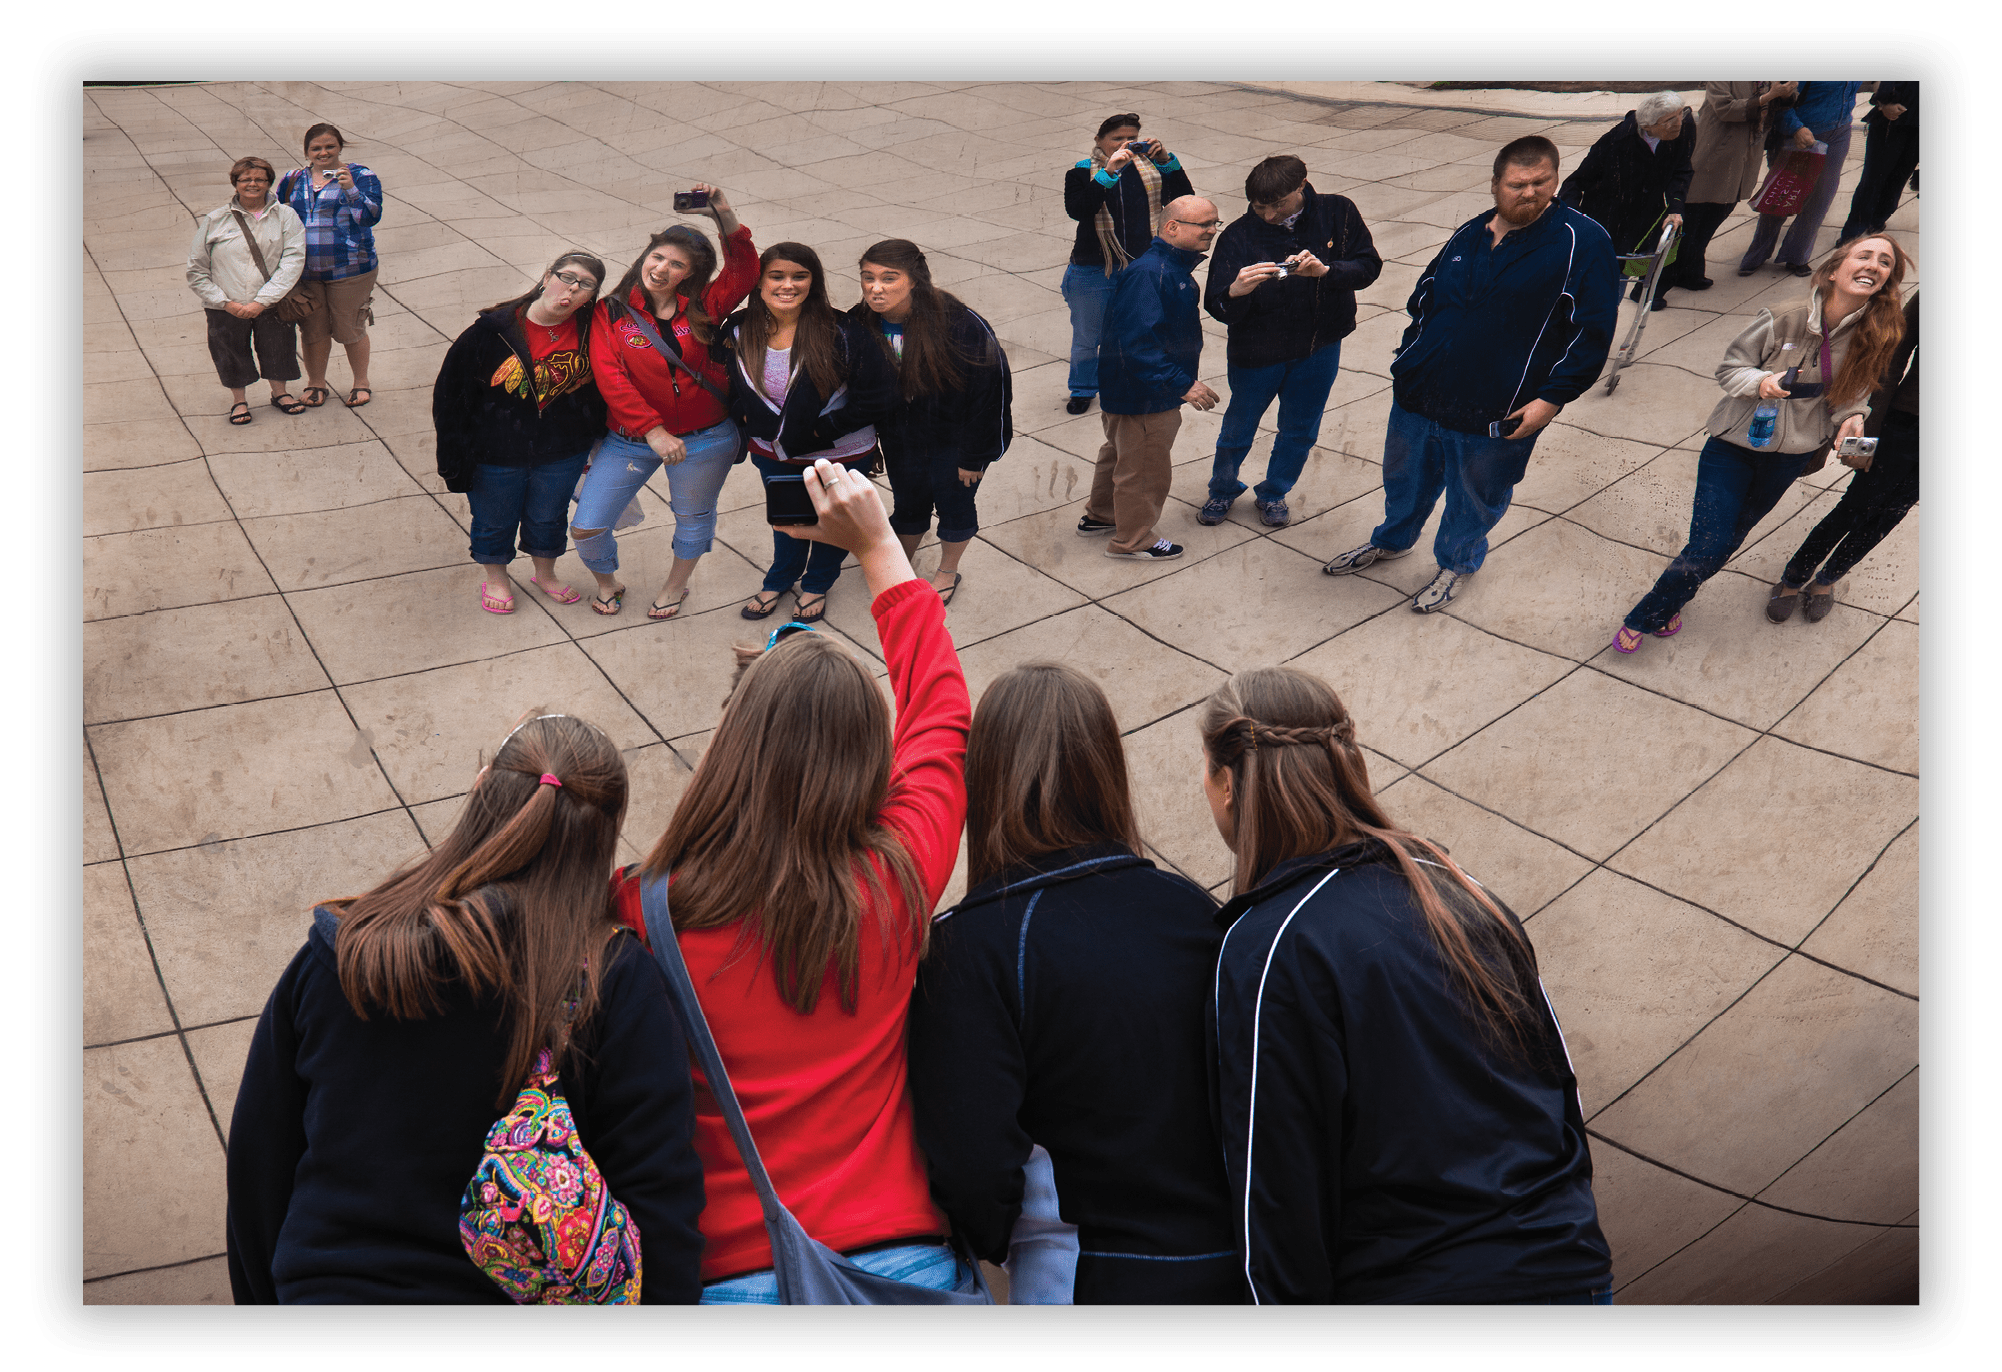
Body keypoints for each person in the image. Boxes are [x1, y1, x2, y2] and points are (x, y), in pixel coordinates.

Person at [607, 458, 976, 1305]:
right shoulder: (895, 878)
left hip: (733, 1270)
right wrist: (881, 548)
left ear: (731, 746)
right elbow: (941, 718)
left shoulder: (644, 905)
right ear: (868, 764)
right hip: (900, 1262)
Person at [225, 713, 706, 1305]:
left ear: (481, 787)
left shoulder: (345, 952)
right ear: (602, 839)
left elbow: (259, 1168)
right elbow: (661, 1205)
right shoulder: (615, 983)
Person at [1201, 667, 1614, 1305]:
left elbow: (1275, 1186)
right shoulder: (1456, 888)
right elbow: (1561, 1094)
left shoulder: (1269, 940)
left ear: (1228, 784)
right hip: (1568, 1269)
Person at [906, 662, 1243, 1306]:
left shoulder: (972, 944)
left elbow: (971, 1160)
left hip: (1086, 1273)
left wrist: (995, 1235)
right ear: (1104, 769)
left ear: (988, 780)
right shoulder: (1192, 906)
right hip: (1233, 1264)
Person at [1323, 136, 1617, 613]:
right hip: (1420, 397)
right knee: (1404, 483)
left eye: (1541, 182)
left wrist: (1551, 399)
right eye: (1517, 184)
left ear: (1556, 180)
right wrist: (1408, 359)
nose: (1530, 193)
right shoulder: (1470, 231)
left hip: (1499, 411)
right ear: (1495, 184)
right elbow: (1425, 296)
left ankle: (1456, 564)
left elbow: (1592, 333)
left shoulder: (1583, 242)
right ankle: (1393, 541)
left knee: (1475, 498)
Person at [1617, 234, 1907, 652]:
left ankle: (1673, 601)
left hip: (1790, 458)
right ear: (1833, 270)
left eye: (1884, 262)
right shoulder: (1783, 316)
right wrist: (1761, 382)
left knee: (1728, 540)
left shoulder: (1876, 334)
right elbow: (1729, 369)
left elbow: (1854, 393)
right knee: (1709, 544)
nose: (1874, 265)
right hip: (1731, 447)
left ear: (1885, 281)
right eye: (1864, 255)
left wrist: (1852, 419)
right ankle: (1647, 615)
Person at [569, 189, 758, 619]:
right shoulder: (610, 312)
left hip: (706, 439)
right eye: (657, 257)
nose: (662, 268)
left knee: (693, 517)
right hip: (632, 440)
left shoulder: (705, 307)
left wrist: (724, 214)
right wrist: (652, 430)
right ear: (644, 258)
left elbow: (745, 271)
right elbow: (611, 377)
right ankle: (608, 582)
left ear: (688, 275)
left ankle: (675, 588)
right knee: (587, 525)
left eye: (676, 265)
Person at [1198, 155, 1381, 528]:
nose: (1267, 216)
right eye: (1258, 207)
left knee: (1300, 428)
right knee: (1239, 427)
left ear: (1301, 186)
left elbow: (1368, 266)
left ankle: (1274, 492)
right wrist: (1235, 291)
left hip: (1319, 346)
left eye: (1277, 205)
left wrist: (1327, 272)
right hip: (1258, 353)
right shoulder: (1237, 235)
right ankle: (1222, 488)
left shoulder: (1338, 212)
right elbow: (1216, 304)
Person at [719, 243, 898, 622]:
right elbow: (729, 385)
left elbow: (877, 396)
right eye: (777, 276)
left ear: (813, 282)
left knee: (835, 524)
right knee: (788, 522)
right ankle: (781, 577)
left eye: (799, 276)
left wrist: (819, 431)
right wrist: (746, 417)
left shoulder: (843, 331)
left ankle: (817, 583)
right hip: (774, 453)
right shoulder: (737, 328)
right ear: (760, 281)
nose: (788, 285)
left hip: (841, 452)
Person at [432, 252, 609, 616]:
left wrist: (594, 436)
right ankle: (496, 578)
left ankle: (545, 574)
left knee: (548, 516)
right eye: (567, 277)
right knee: (494, 518)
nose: (572, 288)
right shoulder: (491, 331)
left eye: (585, 285)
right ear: (547, 277)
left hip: (563, 450)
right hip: (496, 452)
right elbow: (450, 399)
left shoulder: (594, 331)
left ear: (592, 296)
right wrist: (453, 457)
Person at [852, 239, 1013, 607]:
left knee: (955, 507)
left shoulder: (960, 324)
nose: (876, 288)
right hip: (901, 440)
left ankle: (947, 570)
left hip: (956, 443)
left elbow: (992, 393)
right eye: (868, 278)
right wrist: (870, 440)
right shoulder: (860, 322)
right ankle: (898, 565)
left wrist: (975, 456)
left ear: (914, 280)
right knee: (909, 504)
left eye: (889, 278)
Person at [1083, 195, 1222, 563]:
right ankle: (1133, 540)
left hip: (1126, 391)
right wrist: (1183, 384)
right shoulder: (1152, 273)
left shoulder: (1162, 267)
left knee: (1118, 454)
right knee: (1144, 470)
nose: (1211, 231)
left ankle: (1102, 515)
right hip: (1146, 395)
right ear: (1172, 228)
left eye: (1214, 223)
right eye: (1204, 224)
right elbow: (1138, 344)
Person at [1769, 287, 1919, 625]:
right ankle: (1794, 577)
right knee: (1857, 506)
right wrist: (1866, 433)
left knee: (1891, 515)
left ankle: (1827, 581)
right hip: (1905, 424)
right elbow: (1890, 361)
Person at [1061, 113, 1194, 416]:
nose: (1123, 145)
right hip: (1095, 267)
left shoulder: (1150, 169)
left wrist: (1166, 160)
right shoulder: (1082, 173)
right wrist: (1109, 173)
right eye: (1115, 139)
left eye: (1129, 139)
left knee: (1141, 330)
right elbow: (1079, 210)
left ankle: (1135, 381)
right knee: (1087, 336)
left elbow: (1185, 199)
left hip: (1141, 266)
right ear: (1099, 141)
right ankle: (1082, 389)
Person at [186, 156, 307, 425]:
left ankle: (280, 394)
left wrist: (263, 300)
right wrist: (224, 302)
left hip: (271, 302)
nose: (253, 184)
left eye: (260, 179)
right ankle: (239, 401)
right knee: (229, 350)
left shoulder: (286, 215)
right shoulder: (215, 219)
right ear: (235, 183)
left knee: (278, 346)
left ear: (268, 183)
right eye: (246, 179)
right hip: (226, 304)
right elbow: (196, 268)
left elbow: (293, 259)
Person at [1558, 91, 1695, 312]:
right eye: (1670, 119)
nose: (1679, 122)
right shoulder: (1616, 142)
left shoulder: (1682, 128)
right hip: (1607, 226)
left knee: (1613, 298)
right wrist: (1577, 224)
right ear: (1649, 126)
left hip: (1640, 227)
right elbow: (1574, 182)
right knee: (1598, 297)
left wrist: (1676, 207)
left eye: (1682, 113)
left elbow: (1682, 170)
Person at [276, 123, 383, 408]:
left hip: (350, 268)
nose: (323, 153)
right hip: (305, 270)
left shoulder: (361, 175)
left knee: (351, 328)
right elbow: (278, 219)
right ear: (306, 151)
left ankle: (361, 383)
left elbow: (370, 217)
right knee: (313, 330)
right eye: (316, 148)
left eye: (329, 147)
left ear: (340, 148)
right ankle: (316, 384)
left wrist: (351, 190)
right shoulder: (292, 179)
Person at [1669, 82, 1798, 293]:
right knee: (1691, 219)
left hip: (1744, 157)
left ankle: (1689, 270)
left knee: (1717, 213)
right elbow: (1725, 108)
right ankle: (1661, 281)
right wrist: (1770, 96)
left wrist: (1786, 93)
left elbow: (1787, 102)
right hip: (1714, 154)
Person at [1738, 82, 1866, 277]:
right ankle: (1757, 254)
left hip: (1840, 131)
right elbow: (1779, 101)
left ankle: (1797, 256)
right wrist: (1795, 128)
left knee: (1821, 197)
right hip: (1802, 132)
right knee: (1782, 194)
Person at [1840, 82, 1921, 240]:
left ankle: (1878, 220)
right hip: (1891, 120)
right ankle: (1853, 231)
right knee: (1874, 177)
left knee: (1900, 177)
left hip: (1917, 127)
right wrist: (1883, 104)